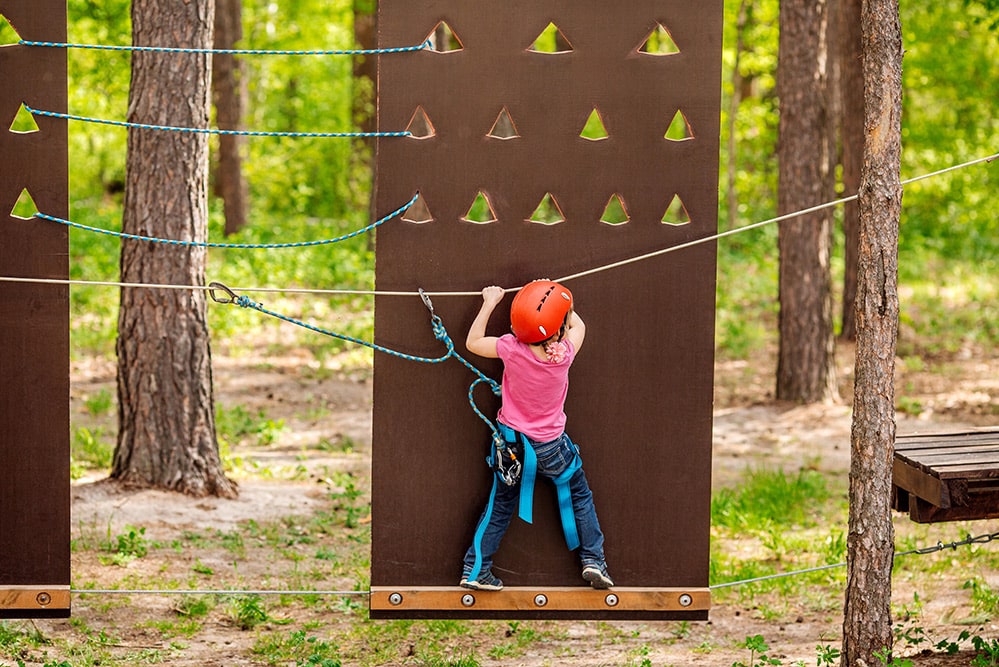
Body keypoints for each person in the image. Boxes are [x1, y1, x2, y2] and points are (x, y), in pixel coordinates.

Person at [459, 279, 613, 591]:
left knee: (500, 505)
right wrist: (555, 298)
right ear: (559, 329)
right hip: (552, 448)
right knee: (578, 496)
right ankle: (593, 560)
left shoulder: (510, 349)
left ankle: (475, 570)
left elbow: (473, 342)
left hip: (512, 445)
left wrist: (490, 302)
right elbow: (576, 322)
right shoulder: (565, 353)